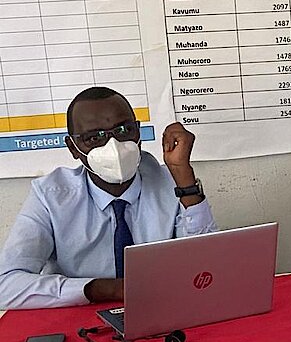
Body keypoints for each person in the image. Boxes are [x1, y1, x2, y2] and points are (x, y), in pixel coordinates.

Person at [0, 86, 216, 309]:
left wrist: (183, 175)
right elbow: (5, 285)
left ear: (138, 132)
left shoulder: (172, 181)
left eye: (124, 130)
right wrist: (102, 288)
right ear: (73, 148)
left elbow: (208, 267)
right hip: (80, 315)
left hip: (162, 308)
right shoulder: (50, 197)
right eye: (94, 137)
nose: (114, 146)